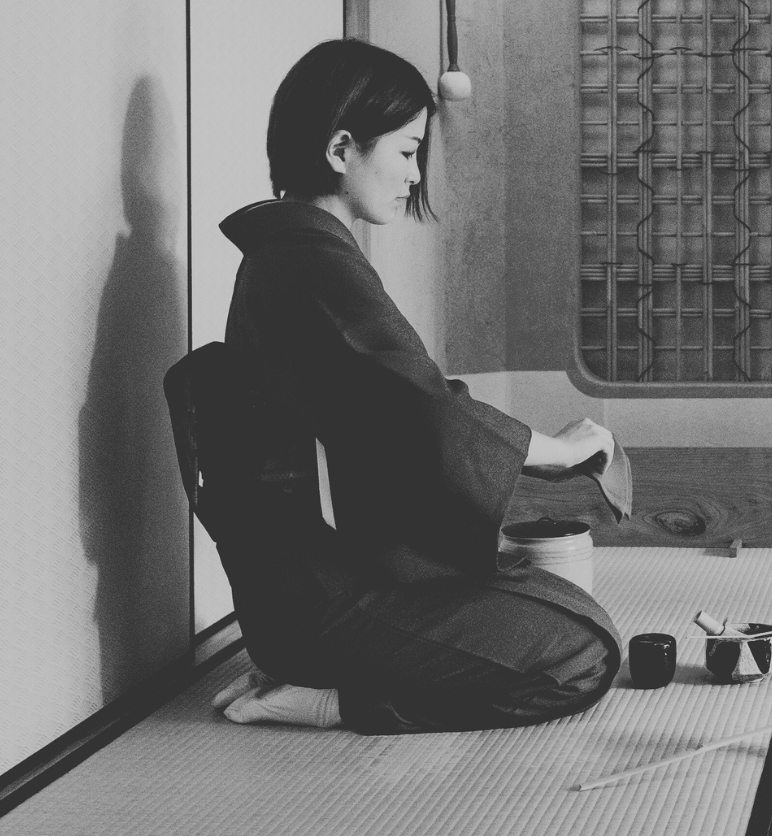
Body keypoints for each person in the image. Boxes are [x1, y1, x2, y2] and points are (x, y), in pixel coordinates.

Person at [198, 38, 631, 734]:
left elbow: (399, 406)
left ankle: (317, 670)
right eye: (406, 151)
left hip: (300, 586)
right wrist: (553, 450)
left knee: (563, 604)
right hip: (319, 603)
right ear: (341, 149)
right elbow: (425, 410)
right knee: (583, 655)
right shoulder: (308, 262)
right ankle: (335, 700)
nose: (414, 174)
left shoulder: (291, 255)